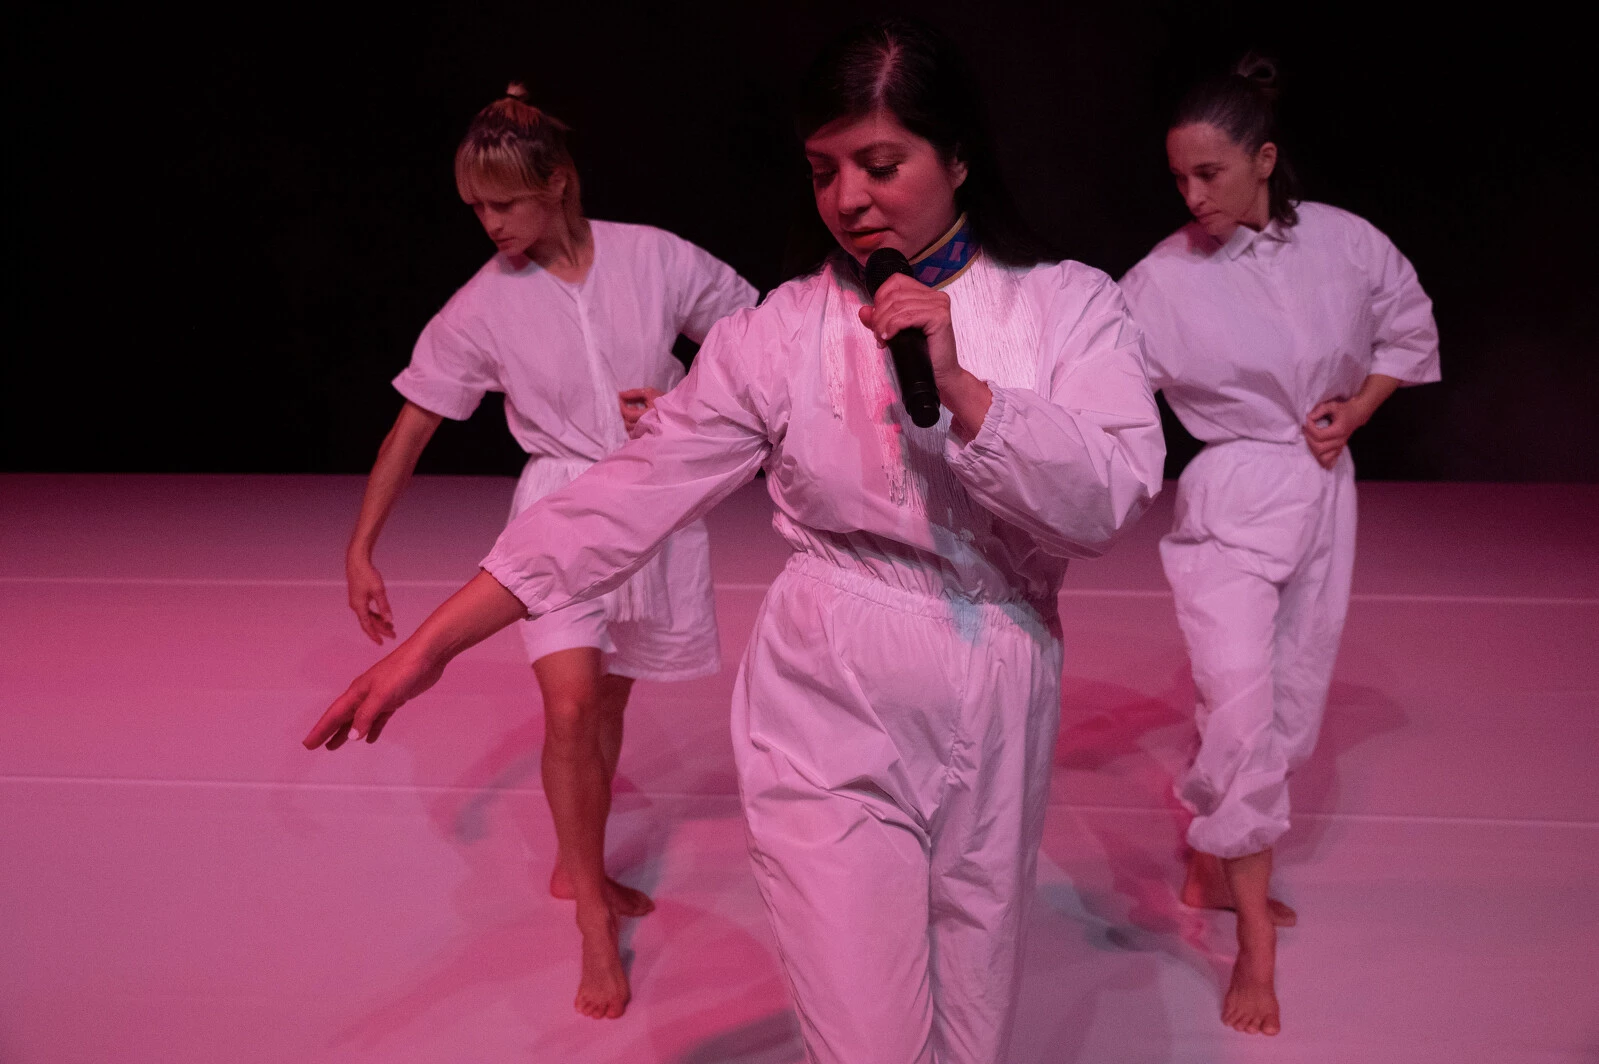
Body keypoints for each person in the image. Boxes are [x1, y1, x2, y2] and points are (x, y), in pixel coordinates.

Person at [308, 22, 1163, 1062]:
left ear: (961, 157)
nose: (848, 197)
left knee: (973, 1024)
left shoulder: (1070, 306)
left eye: (880, 164)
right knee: (867, 1038)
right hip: (831, 687)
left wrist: (967, 388)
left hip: (1003, 673)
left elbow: (1109, 497)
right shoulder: (778, 331)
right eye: (823, 170)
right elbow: (621, 497)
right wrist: (434, 641)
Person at [337, 84, 757, 1020]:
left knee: (605, 705)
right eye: (475, 209)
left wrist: (689, 403)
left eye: (503, 205)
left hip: (651, 503)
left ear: (558, 185)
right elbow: (412, 426)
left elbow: (754, 329)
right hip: (558, 508)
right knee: (569, 707)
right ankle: (592, 930)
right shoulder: (482, 304)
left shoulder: (653, 255)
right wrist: (363, 547)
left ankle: (584, 870)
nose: (487, 225)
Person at [1119, 56, 1440, 1037]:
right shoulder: (1161, 279)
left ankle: (1216, 865)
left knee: (1288, 702)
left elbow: (1405, 322)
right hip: (1229, 495)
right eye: (1180, 176)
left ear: (1264, 159)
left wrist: (1359, 407)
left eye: (1210, 173)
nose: (1192, 195)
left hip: (1322, 491)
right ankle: (1253, 942)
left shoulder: (1344, 242)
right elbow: (1088, 373)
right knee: (1247, 710)